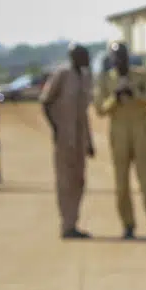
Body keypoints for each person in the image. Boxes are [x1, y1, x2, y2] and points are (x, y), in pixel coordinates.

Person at [93, 41, 146, 239]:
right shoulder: (106, 79)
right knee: (121, 182)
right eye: (116, 57)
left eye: (123, 56)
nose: (120, 60)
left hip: (141, 132)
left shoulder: (141, 75)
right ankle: (128, 225)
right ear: (111, 59)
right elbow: (100, 109)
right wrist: (115, 98)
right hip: (118, 134)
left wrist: (136, 94)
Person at [39, 45, 94, 239]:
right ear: (75, 57)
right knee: (65, 181)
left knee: (79, 181)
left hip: (80, 139)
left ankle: (73, 223)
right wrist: (55, 128)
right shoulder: (62, 75)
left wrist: (90, 141)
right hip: (64, 137)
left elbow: (84, 113)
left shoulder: (86, 77)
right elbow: (45, 102)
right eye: (84, 56)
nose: (88, 59)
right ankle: (66, 225)